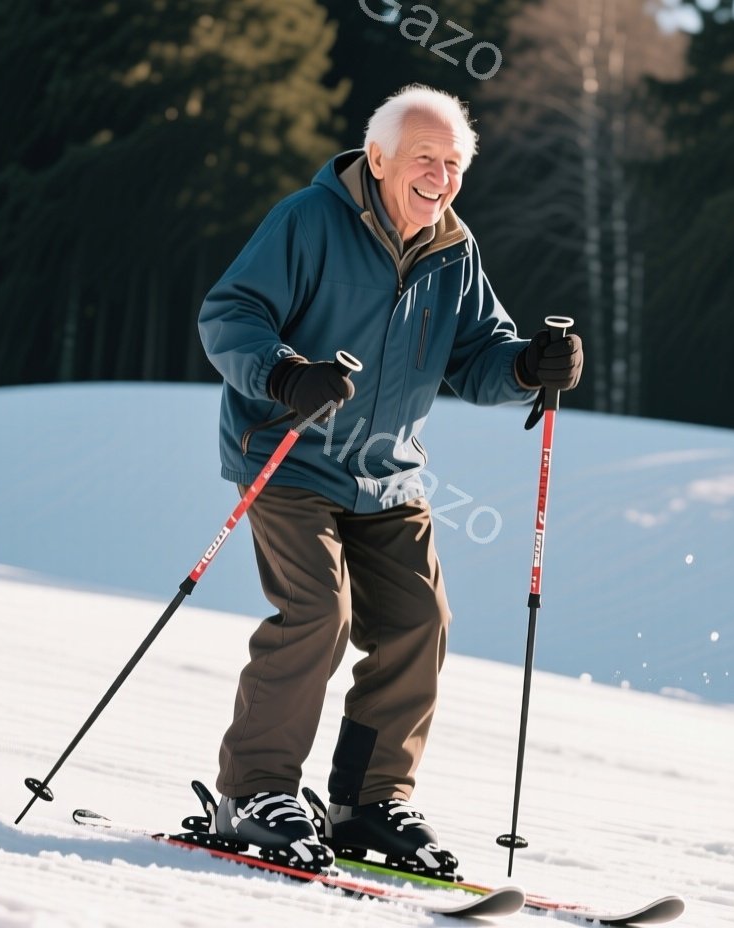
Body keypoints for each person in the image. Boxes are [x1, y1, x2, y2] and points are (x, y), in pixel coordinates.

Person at [197, 84, 583, 873]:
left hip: (385, 476)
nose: (439, 176)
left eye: (453, 163)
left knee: (418, 621)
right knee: (318, 611)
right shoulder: (307, 222)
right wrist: (285, 375)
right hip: (289, 452)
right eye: (424, 159)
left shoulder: (453, 250)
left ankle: (369, 802)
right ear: (377, 160)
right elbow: (229, 315)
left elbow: (480, 355)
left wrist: (528, 366)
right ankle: (255, 792)